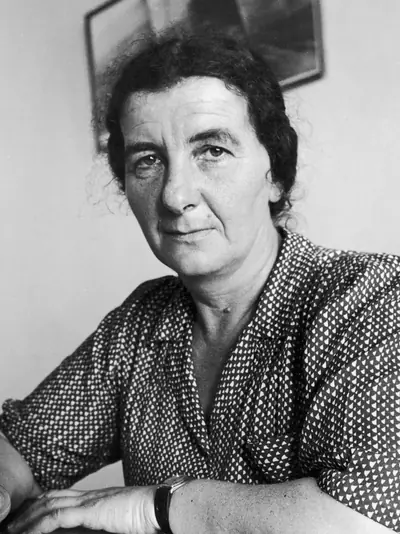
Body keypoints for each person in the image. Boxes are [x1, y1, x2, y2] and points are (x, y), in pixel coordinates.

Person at [0, 27, 399, 534]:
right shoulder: (138, 325)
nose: (175, 195)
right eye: (148, 161)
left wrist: (147, 507)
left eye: (212, 150)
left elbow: (366, 517)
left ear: (276, 174)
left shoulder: (370, 297)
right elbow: (22, 447)